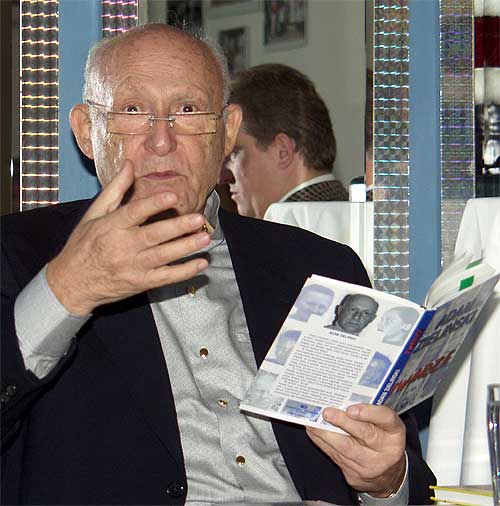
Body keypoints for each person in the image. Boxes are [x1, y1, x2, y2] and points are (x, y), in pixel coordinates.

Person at [0, 24, 435, 505]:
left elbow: (406, 476)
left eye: (188, 110)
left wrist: (385, 481)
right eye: (133, 110)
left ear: (228, 131)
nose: (161, 139)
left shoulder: (321, 268)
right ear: (87, 131)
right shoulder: (20, 256)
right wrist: (68, 290)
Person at [219, 63, 348, 220]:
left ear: (283, 151)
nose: (222, 178)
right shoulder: (361, 218)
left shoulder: (286, 227)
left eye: (234, 153)